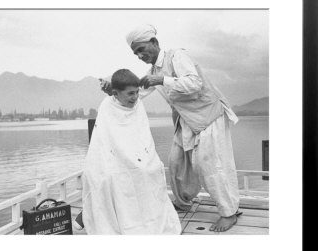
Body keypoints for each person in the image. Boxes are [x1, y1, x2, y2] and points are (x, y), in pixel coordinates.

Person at [101, 24, 241, 232]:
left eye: (142, 49)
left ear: (155, 43)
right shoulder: (152, 72)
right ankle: (183, 202)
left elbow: (195, 83)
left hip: (209, 117)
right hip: (186, 122)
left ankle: (229, 212)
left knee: (210, 166)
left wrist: (163, 80)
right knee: (176, 163)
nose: (139, 55)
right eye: (136, 52)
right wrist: (112, 88)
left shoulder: (177, 57)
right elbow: (136, 94)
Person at [81, 69, 181, 235]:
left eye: (136, 92)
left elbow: (142, 137)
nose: (135, 97)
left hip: (138, 157)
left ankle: (148, 219)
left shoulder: (138, 105)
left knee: (152, 169)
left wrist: (140, 160)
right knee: (110, 178)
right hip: (113, 160)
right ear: (115, 93)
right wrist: (125, 160)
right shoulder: (107, 106)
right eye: (130, 94)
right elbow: (105, 141)